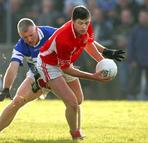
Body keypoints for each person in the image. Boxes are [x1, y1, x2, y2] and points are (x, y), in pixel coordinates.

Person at [0, 15, 125, 139]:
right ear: (20, 36)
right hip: (38, 75)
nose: (29, 39)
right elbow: (13, 66)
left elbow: (84, 40)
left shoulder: (51, 33)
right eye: (25, 37)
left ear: (36, 28)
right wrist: (6, 88)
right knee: (17, 101)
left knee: (77, 101)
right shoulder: (21, 46)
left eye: (31, 35)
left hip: (63, 68)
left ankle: (77, 133)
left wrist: (104, 52)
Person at [36, 5, 125, 140]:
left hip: (65, 62)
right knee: (72, 103)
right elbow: (66, 68)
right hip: (48, 65)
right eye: (80, 23)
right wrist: (94, 77)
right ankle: (75, 133)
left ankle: (47, 84)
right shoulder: (64, 39)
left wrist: (104, 57)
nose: (84, 27)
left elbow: (88, 43)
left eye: (86, 23)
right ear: (72, 21)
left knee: (78, 100)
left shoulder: (86, 27)